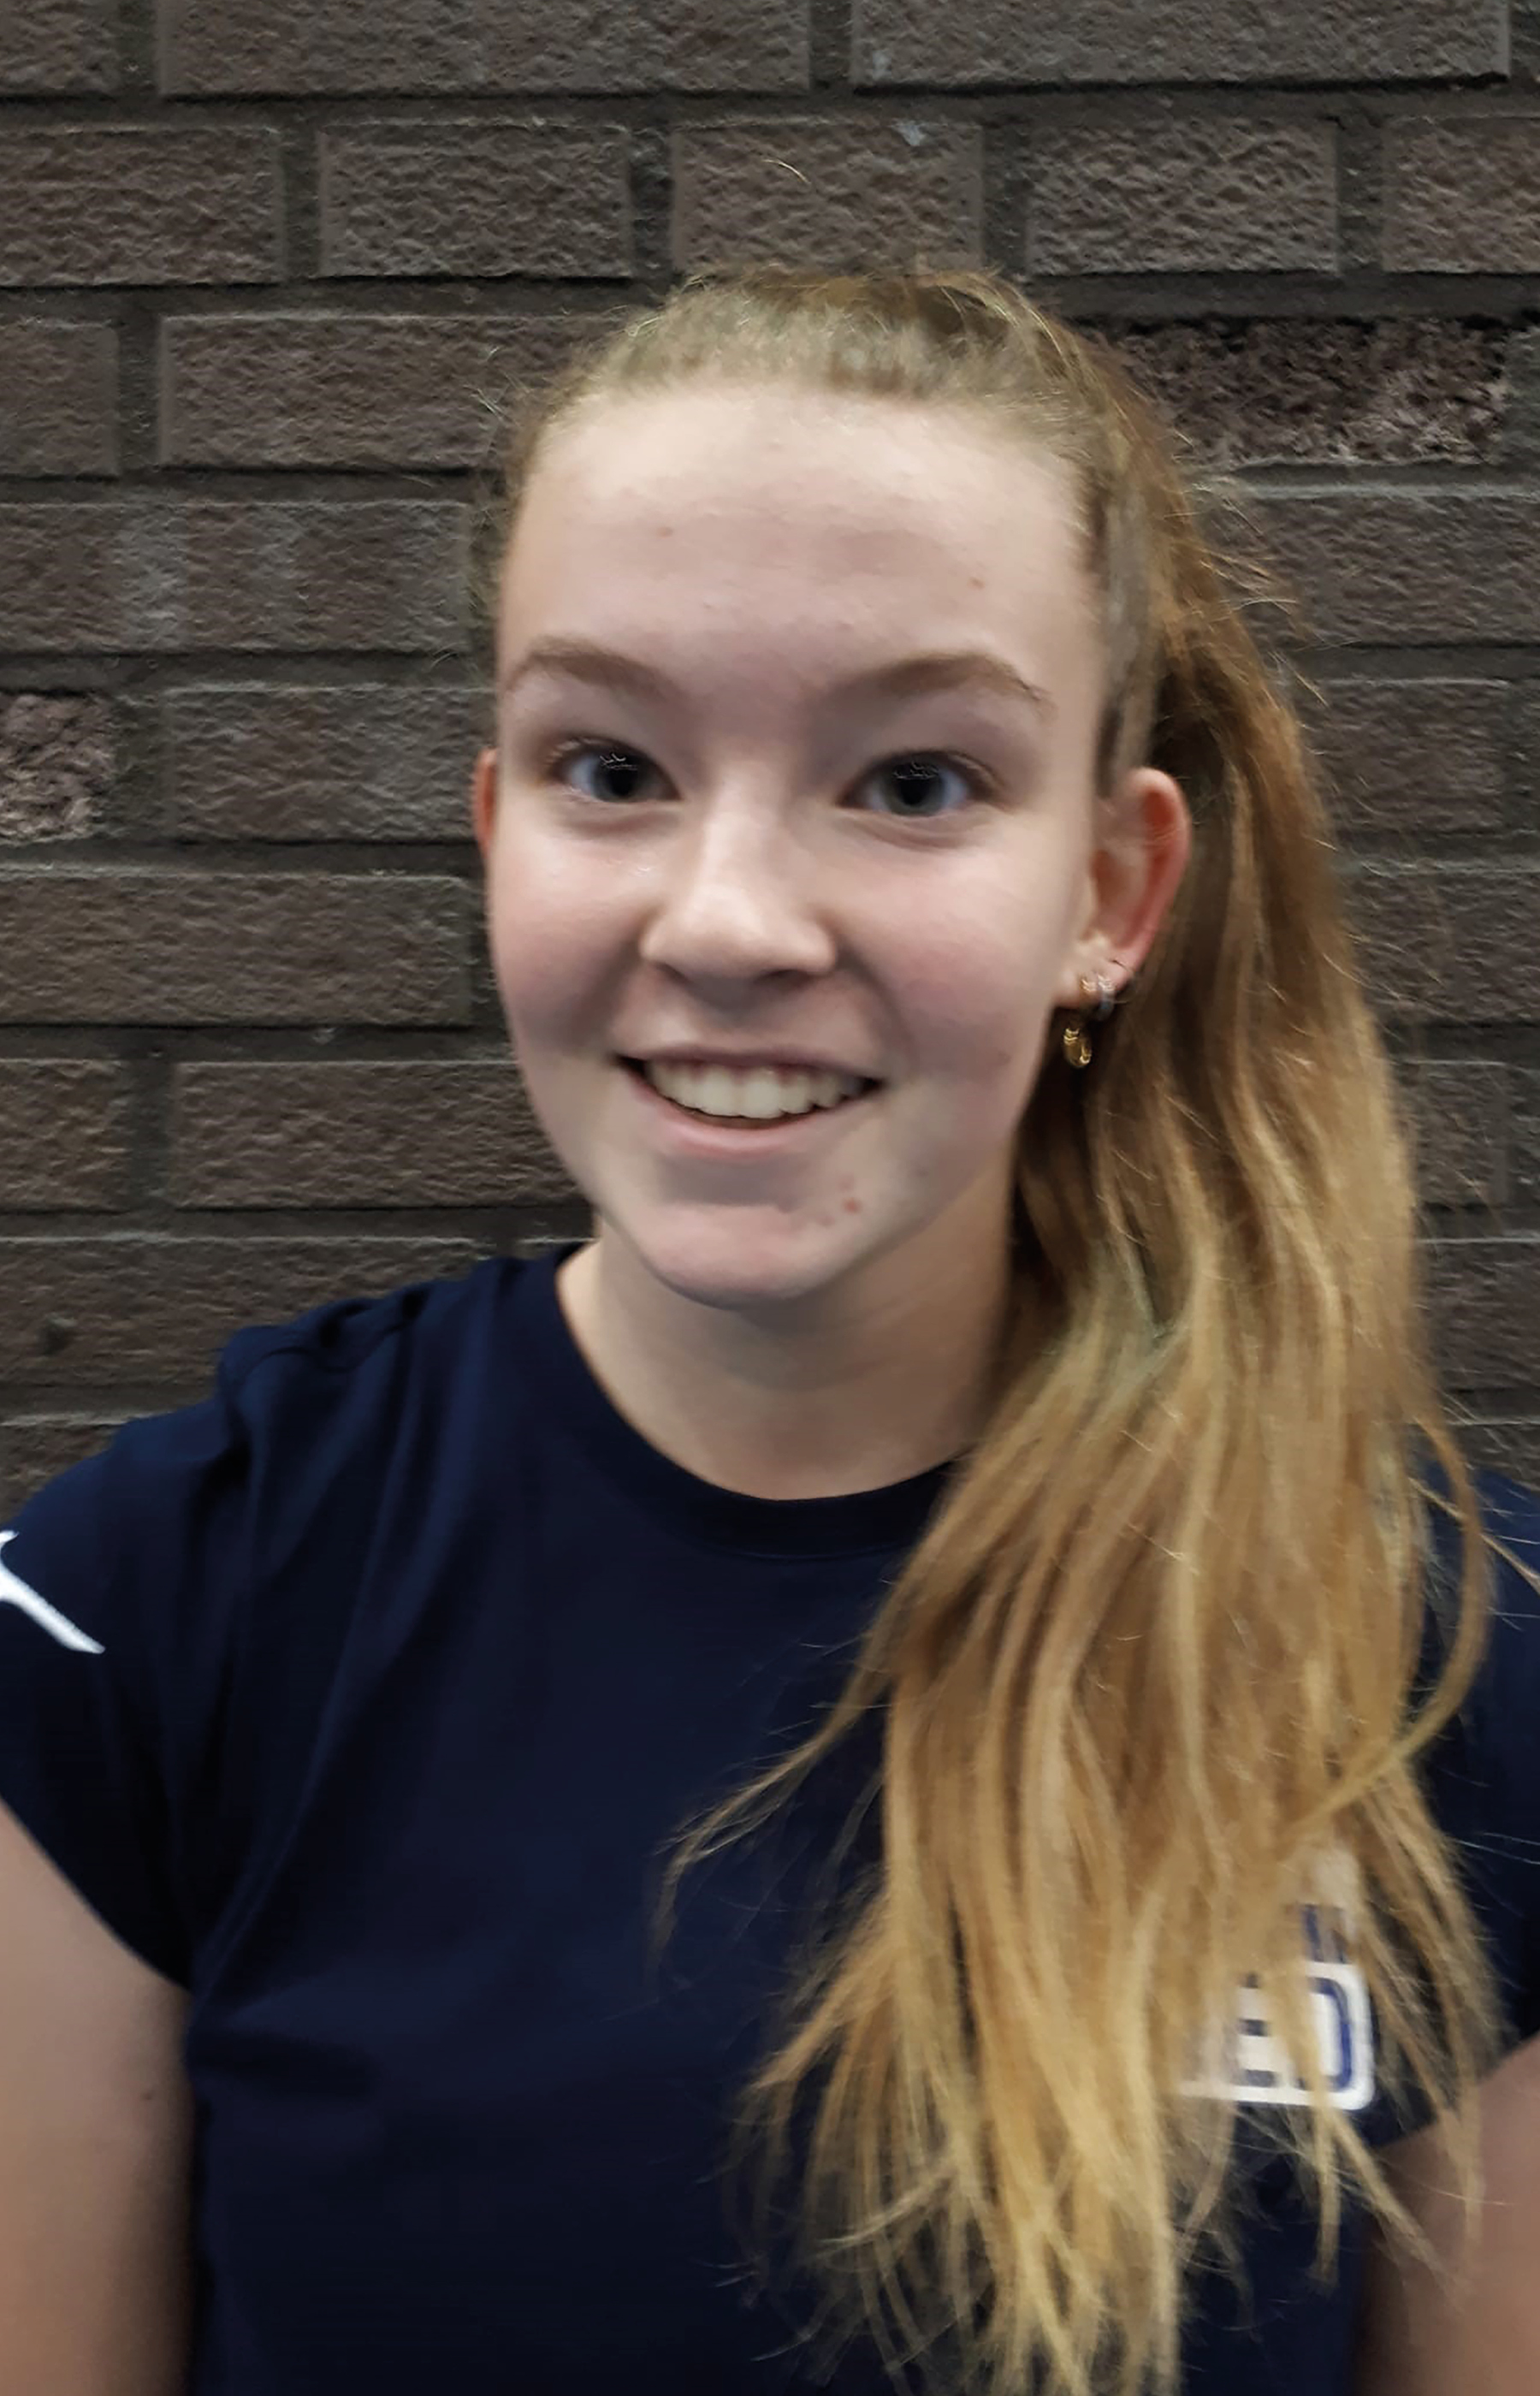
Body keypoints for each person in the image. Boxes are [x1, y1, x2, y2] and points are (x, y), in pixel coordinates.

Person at [1, 264, 1537, 2396]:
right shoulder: (151, 1609)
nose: (726, 920)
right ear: (496, 829)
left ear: (1112, 890)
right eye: (611, 764)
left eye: (913, 782)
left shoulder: (1448, 1660)